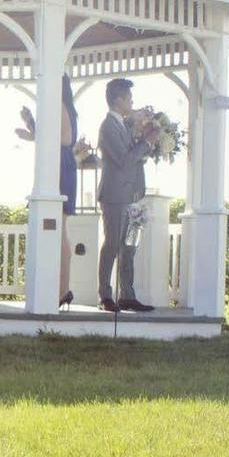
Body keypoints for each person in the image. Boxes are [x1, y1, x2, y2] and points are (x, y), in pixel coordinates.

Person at [16, 73, 79, 307]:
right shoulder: (64, 106)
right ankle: (61, 288)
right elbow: (52, 136)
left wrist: (31, 133)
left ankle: (62, 289)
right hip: (62, 164)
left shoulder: (60, 105)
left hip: (60, 166)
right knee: (59, 229)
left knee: (59, 229)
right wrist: (31, 124)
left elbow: (62, 139)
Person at [97, 76, 153, 313]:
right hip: (115, 196)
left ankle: (127, 295)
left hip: (132, 195)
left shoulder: (122, 124)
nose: (132, 101)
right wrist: (147, 143)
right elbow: (123, 160)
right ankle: (105, 296)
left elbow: (134, 155)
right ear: (119, 100)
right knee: (112, 245)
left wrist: (143, 132)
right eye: (129, 97)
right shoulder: (108, 126)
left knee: (129, 247)